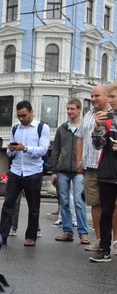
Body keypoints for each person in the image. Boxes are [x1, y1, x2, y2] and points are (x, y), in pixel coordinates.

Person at [0, 100, 50, 246]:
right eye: (19, 116)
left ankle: (31, 236)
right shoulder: (16, 129)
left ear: (31, 112)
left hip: (33, 172)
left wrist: (25, 148)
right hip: (16, 171)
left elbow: (43, 150)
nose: (22, 118)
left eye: (24, 115)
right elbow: (9, 153)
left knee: (33, 207)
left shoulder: (42, 128)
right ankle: (2, 236)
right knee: (8, 204)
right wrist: (11, 149)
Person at [76, 84, 117, 253]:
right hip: (96, 168)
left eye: (97, 96)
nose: (93, 99)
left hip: (110, 168)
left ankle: (115, 241)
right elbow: (86, 140)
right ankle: (101, 242)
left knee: (113, 206)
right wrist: (79, 161)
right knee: (98, 205)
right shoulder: (90, 115)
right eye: (91, 96)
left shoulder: (111, 116)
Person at [50, 98, 89, 243]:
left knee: (79, 201)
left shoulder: (85, 128)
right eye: (68, 109)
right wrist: (53, 170)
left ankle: (83, 233)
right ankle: (67, 232)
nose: (69, 111)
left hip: (80, 170)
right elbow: (55, 150)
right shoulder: (62, 128)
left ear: (79, 110)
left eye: (72, 109)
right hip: (63, 170)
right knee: (64, 202)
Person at [88, 82, 117, 262]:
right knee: (106, 212)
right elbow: (97, 145)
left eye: (113, 97)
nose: (110, 100)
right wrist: (98, 128)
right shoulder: (105, 118)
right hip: (107, 171)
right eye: (110, 97)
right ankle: (104, 249)